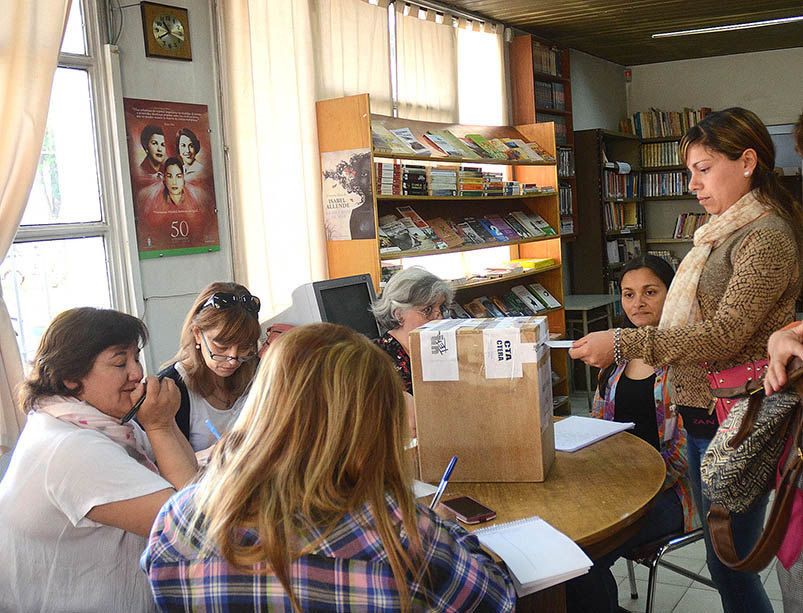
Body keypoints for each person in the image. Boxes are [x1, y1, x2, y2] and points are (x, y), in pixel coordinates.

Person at [570, 107, 803, 613]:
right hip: (706, 414)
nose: (692, 184)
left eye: (703, 168)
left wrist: (625, 342)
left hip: (738, 416)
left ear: (747, 162)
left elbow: (725, 336)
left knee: (731, 565)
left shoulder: (764, 236)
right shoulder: (720, 231)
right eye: (688, 171)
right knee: (726, 564)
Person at [142, 323, 516, 611]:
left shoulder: (177, 520)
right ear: (370, 423)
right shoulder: (400, 533)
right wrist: (451, 531)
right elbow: (497, 600)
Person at [0, 307, 197, 612]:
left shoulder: (87, 421)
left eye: (136, 358)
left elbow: (189, 483)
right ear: (70, 377)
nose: (137, 374)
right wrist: (159, 425)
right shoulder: (72, 448)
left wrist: (165, 422)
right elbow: (192, 528)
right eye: (120, 362)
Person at [565, 255, 697, 612]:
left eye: (650, 292)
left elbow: (687, 453)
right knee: (559, 548)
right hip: (616, 484)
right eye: (628, 294)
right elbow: (597, 424)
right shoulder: (615, 357)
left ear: (672, 293)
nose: (637, 303)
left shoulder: (688, 359)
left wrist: (630, 485)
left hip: (669, 493)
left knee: (582, 560)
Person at [159, 281, 261, 451]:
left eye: (244, 347)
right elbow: (162, 469)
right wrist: (206, 457)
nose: (233, 360)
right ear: (197, 334)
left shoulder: (259, 372)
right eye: (221, 347)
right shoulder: (172, 388)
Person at [370, 266, 454, 396]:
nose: (440, 317)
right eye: (428, 310)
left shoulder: (439, 347)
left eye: (441, 308)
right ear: (398, 314)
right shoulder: (378, 360)